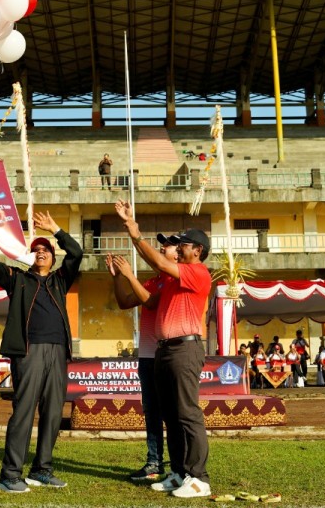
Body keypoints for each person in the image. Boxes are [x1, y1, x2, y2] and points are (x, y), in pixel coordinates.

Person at [0, 210, 82, 493]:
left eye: (46, 250)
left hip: (58, 352)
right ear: (31, 256)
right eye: (37, 250)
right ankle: (10, 475)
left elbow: (77, 252)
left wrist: (55, 228)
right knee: (24, 411)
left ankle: (42, 469)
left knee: (53, 413)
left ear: (53, 257)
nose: (42, 253)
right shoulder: (18, 279)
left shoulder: (61, 280)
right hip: (29, 351)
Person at [115, 199, 212, 499]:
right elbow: (150, 299)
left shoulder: (198, 273)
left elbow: (158, 261)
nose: (179, 248)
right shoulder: (171, 280)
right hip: (165, 350)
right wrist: (125, 274)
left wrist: (134, 231)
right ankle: (179, 473)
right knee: (170, 415)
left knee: (187, 414)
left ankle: (199, 477)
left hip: (185, 349)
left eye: (184, 245)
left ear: (197, 251)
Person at [107, 231, 181, 483]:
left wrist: (129, 274)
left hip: (167, 355)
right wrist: (118, 278)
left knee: (172, 412)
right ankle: (154, 462)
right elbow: (125, 302)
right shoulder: (154, 280)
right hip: (148, 356)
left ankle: (178, 465)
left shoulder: (174, 280)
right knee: (151, 411)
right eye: (162, 245)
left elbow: (150, 304)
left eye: (169, 246)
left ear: (180, 253)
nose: (163, 249)